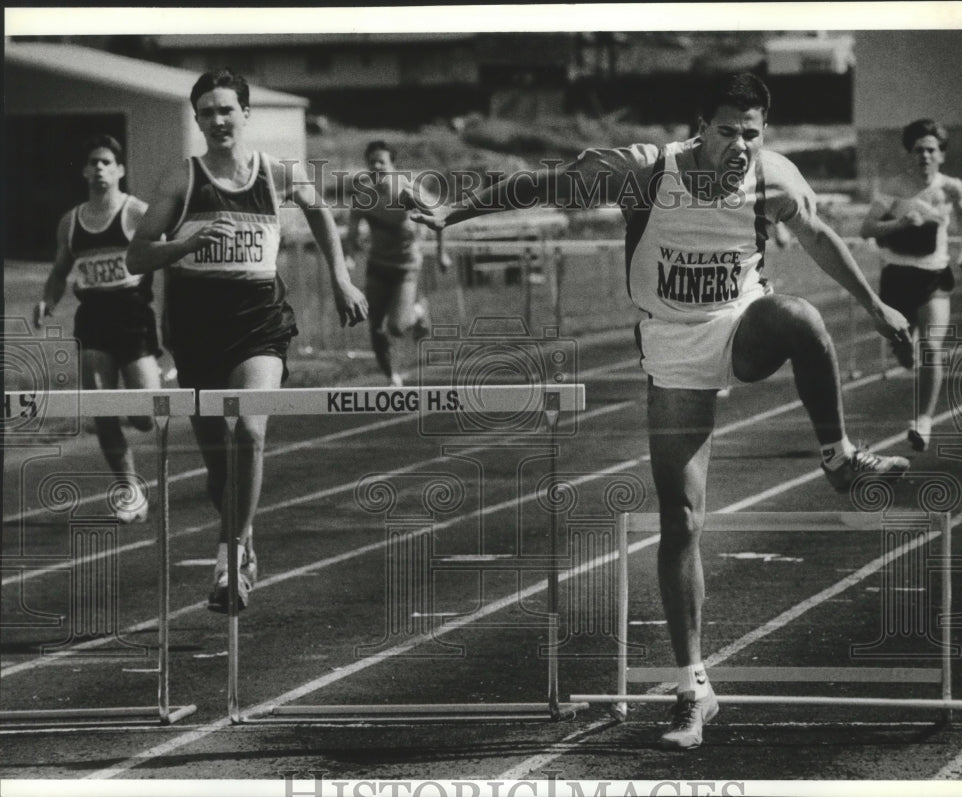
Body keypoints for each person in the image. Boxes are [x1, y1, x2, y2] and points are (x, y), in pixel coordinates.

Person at [411, 73, 914, 751]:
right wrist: (455, 212)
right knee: (681, 519)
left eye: (753, 132)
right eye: (729, 130)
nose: (742, 144)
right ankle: (691, 688)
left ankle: (841, 460)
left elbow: (819, 236)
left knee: (799, 316)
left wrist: (879, 309)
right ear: (699, 125)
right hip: (672, 347)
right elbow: (546, 183)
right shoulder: (643, 170)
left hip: (739, 322)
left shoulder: (773, 179)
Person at [126, 68, 368, 613]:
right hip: (196, 329)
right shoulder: (180, 181)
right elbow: (136, 257)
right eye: (206, 112)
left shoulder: (277, 174)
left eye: (225, 110)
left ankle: (229, 559)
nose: (217, 120)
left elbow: (321, 212)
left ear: (245, 114)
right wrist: (182, 244)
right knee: (219, 472)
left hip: (260, 322)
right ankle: (244, 536)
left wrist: (341, 277)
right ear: (197, 120)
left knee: (250, 433)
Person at [34, 134, 161, 524]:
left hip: (133, 313)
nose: (100, 168)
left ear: (120, 169)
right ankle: (128, 489)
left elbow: (165, 259)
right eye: (94, 162)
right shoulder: (71, 222)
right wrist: (48, 301)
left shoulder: (137, 212)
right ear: (86, 170)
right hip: (93, 316)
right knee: (100, 407)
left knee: (145, 415)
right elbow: (59, 272)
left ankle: (155, 379)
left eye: (107, 161)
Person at [860, 119, 962, 451]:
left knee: (931, 349)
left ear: (941, 155)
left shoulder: (951, 187)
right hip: (896, 277)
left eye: (931, 150)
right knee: (904, 350)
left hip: (933, 276)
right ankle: (902, 346)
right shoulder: (895, 189)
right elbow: (867, 229)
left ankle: (923, 422)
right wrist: (899, 223)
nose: (924, 156)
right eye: (918, 150)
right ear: (909, 155)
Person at [344, 141, 448, 386]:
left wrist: (442, 254)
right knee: (375, 327)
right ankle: (392, 376)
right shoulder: (363, 197)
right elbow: (351, 233)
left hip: (405, 268)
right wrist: (349, 252)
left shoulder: (407, 192)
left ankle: (419, 311)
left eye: (382, 161)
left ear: (393, 165)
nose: (376, 165)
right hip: (377, 266)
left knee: (397, 327)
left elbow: (440, 220)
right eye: (372, 161)